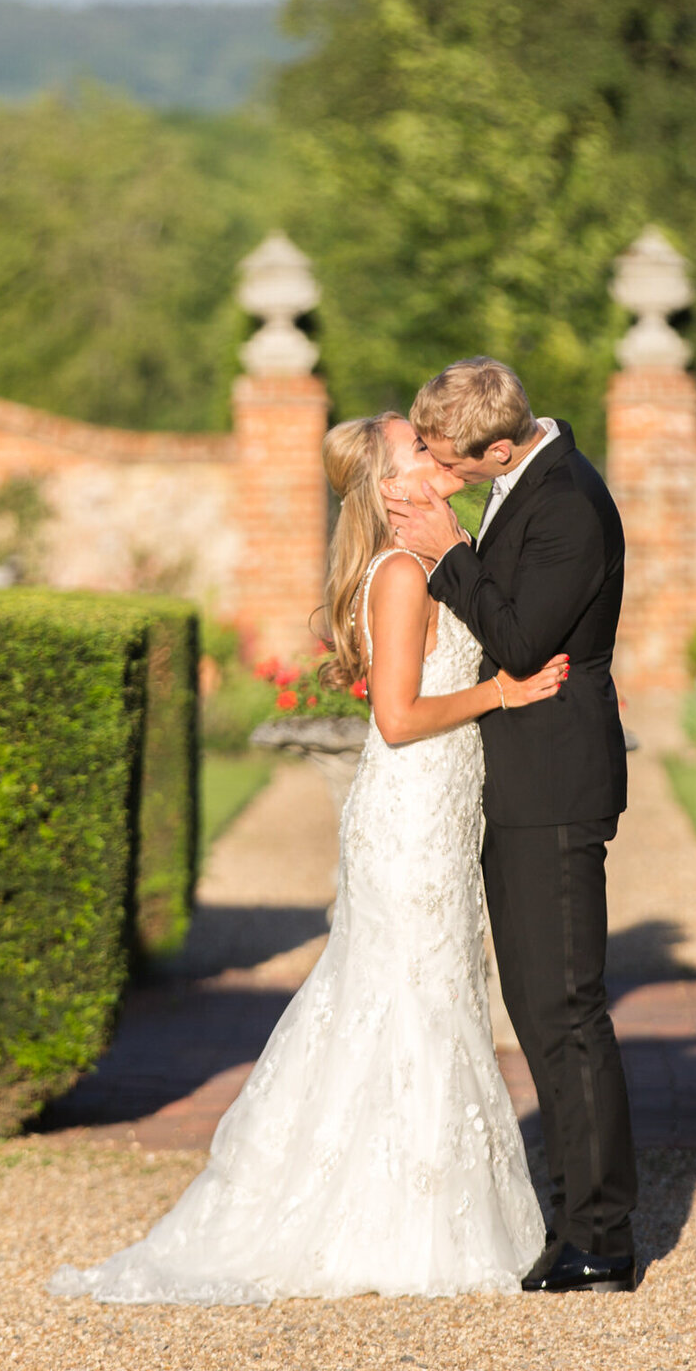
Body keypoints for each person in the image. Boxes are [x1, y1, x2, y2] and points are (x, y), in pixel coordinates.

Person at [49, 412, 565, 1305]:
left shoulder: (438, 557)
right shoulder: (402, 575)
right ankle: (402, 1229)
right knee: (412, 996)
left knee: (430, 994)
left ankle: (431, 1207)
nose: (440, 456)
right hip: (407, 816)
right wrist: (502, 690)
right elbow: (398, 720)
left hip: (439, 810)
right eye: (419, 449)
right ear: (389, 486)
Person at [390, 358, 638, 1294]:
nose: (438, 469)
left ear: (498, 446)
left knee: (567, 1010)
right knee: (536, 1008)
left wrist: (450, 550)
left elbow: (525, 642)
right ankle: (571, 1207)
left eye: (451, 458)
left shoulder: (569, 500)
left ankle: (604, 1238)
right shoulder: (517, 478)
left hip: (558, 781)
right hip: (515, 781)